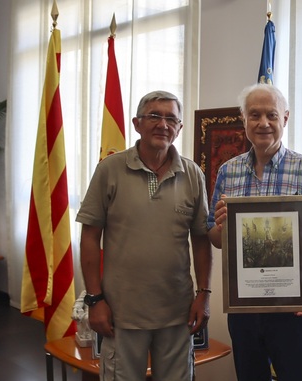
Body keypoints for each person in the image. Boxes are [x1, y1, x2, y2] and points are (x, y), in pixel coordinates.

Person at [207, 83, 302, 381]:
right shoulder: (227, 172)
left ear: (285, 118)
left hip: (294, 310)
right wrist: (219, 226)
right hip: (244, 309)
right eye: (254, 115)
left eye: (271, 114)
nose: (263, 123)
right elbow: (215, 239)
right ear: (243, 120)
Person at [76, 90, 212, 381]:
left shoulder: (192, 174)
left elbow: (201, 239)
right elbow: (89, 236)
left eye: (171, 119)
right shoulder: (110, 170)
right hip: (121, 314)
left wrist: (204, 294)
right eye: (154, 116)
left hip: (178, 313)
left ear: (179, 128)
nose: (163, 124)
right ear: (137, 124)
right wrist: (94, 299)